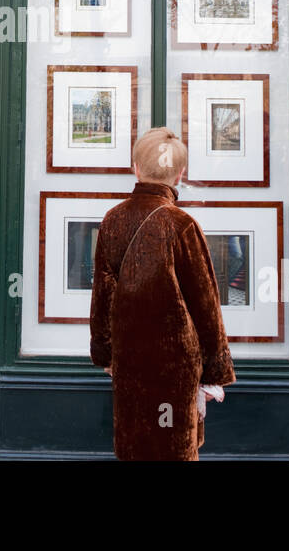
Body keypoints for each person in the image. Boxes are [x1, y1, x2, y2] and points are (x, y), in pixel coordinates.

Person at [90, 127, 236, 461]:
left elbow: (102, 298)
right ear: (180, 174)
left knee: (135, 446)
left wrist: (106, 356)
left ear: (136, 168)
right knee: (172, 446)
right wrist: (215, 374)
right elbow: (206, 305)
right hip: (174, 367)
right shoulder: (182, 224)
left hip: (129, 362)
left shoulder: (112, 221)